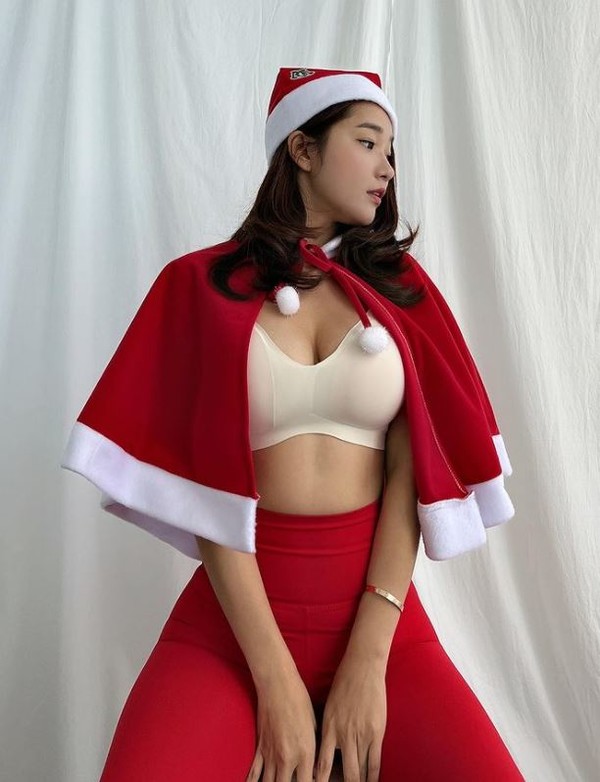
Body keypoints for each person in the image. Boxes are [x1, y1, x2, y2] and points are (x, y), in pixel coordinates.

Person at [61, 67, 524, 781]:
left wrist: (369, 658)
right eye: (367, 142)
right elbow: (204, 485)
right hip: (228, 631)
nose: (387, 168)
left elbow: (412, 470)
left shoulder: (400, 292)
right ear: (303, 150)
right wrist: (274, 681)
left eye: (391, 151)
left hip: (379, 622)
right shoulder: (200, 287)